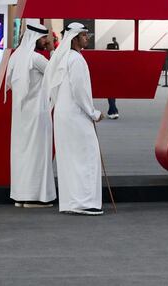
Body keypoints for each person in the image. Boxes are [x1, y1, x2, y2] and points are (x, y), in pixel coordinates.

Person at [46, 22, 104, 216]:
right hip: (76, 115)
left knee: (70, 158)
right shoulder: (76, 60)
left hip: (63, 116)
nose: (87, 38)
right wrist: (93, 113)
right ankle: (84, 202)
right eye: (84, 36)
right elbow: (80, 92)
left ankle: (71, 202)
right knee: (87, 156)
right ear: (75, 38)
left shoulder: (63, 58)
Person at [5, 21, 55, 208]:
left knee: (21, 154)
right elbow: (58, 72)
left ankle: (21, 196)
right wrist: (52, 50)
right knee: (38, 155)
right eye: (43, 38)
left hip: (20, 116)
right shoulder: (35, 58)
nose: (45, 41)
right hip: (37, 115)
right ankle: (36, 198)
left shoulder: (16, 57)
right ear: (34, 38)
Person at [105, 36, 120, 119]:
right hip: (115, 79)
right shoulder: (117, 57)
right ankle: (111, 111)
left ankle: (114, 111)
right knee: (112, 96)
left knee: (110, 96)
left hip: (108, 79)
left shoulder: (106, 58)